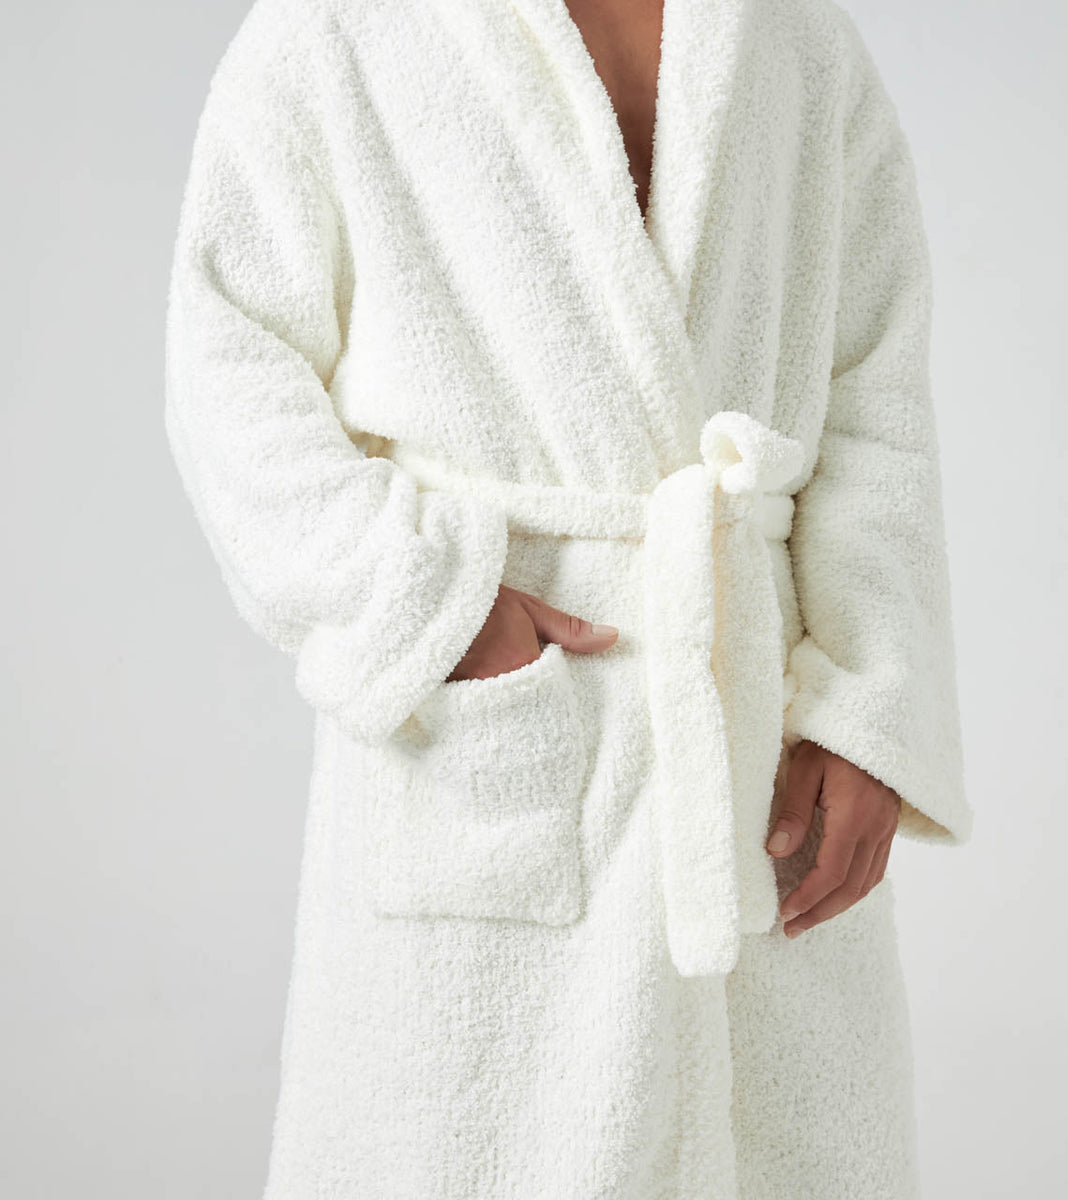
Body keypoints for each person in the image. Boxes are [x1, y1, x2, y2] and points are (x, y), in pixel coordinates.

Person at [163, 0, 974, 1195]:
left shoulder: (792, 35)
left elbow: (874, 392)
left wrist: (867, 707)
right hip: (487, 762)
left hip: (753, 749)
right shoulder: (338, 27)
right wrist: (431, 605)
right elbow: (226, 365)